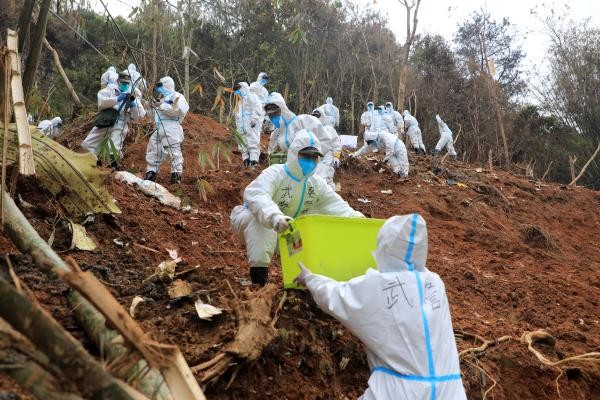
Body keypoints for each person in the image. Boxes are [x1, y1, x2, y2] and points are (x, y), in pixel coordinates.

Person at [294, 214, 467, 400]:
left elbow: (338, 296)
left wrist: (311, 279)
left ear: (386, 247)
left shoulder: (380, 284)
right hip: (451, 392)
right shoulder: (435, 283)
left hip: (400, 392)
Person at [231, 129, 363, 286]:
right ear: (294, 154)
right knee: (263, 226)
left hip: (286, 229)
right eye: (305, 156)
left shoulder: (316, 183)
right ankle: (259, 281)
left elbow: (335, 204)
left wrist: (358, 219)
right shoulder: (276, 173)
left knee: (309, 238)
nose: (310, 161)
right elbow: (256, 194)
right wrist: (274, 216)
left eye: (314, 158)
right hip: (250, 221)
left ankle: (298, 284)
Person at [82, 70, 146, 168]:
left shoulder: (133, 94)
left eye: (127, 83)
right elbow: (101, 104)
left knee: (113, 149)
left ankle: (112, 169)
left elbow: (139, 116)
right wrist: (117, 99)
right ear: (118, 81)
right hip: (106, 121)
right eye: (123, 83)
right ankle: (93, 162)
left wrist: (133, 105)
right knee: (87, 144)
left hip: (121, 123)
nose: (125, 85)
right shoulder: (109, 90)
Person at [265, 92, 335, 173]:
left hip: (313, 170)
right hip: (290, 173)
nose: (273, 117)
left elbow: (326, 140)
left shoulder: (304, 121)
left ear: (283, 109)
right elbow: (271, 156)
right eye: (270, 115)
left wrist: (310, 157)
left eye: (276, 113)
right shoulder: (275, 135)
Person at [144, 76, 189, 184]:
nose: (159, 89)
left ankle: (176, 174)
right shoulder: (162, 99)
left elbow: (180, 110)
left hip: (171, 127)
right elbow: (154, 116)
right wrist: (150, 107)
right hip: (159, 127)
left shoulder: (177, 96)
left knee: (173, 151)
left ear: (167, 85)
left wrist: (162, 105)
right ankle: (151, 172)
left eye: (160, 86)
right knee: (154, 149)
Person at [232, 82, 263, 168]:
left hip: (251, 125)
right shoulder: (240, 102)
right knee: (242, 144)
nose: (237, 92)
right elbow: (237, 116)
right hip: (242, 128)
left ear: (243, 88)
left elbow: (257, 107)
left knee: (253, 142)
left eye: (238, 90)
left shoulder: (251, 96)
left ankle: (254, 162)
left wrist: (254, 119)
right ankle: (246, 161)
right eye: (236, 91)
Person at [312, 107, 342, 189]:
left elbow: (336, 144)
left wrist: (336, 157)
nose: (316, 118)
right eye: (314, 116)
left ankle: (329, 193)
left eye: (317, 116)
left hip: (328, 155)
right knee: (317, 176)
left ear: (322, 116)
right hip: (315, 155)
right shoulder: (311, 129)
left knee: (327, 175)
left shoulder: (329, 129)